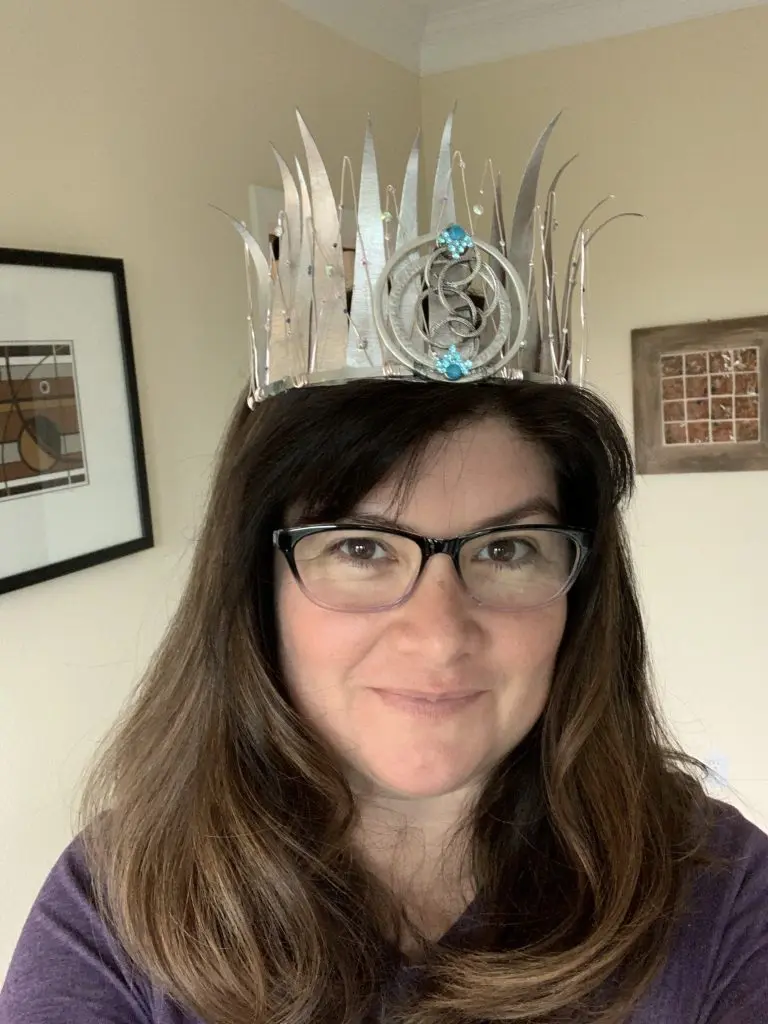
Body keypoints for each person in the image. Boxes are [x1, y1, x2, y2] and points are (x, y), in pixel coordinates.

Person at [2, 113, 767, 1024]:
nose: (440, 635)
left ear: (583, 592)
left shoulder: (714, 891)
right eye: (361, 548)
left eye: (507, 549)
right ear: (257, 587)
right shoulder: (116, 906)